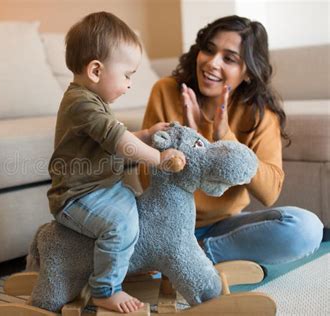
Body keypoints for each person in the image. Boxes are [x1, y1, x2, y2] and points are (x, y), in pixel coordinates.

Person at [141, 15, 323, 266]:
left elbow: (270, 193)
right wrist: (187, 140)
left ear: (247, 72)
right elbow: (145, 177)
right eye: (209, 50)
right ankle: (176, 260)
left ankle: (195, 259)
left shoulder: (260, 114)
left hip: (221, 229)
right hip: (165, 225)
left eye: (229, 58)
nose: (212, 63)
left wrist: (224, 138)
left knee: (306, 228)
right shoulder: (166, 91)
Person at [47, 12, 185, 313]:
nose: (130, 84)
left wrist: (146, 134)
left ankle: (132, 261)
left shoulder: (93, 102)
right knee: (121, 226)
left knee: (138, 209)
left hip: (102, 188)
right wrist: (159, 159)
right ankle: (105, 289)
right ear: (96, 70)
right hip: (76, 196)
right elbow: (120, 142)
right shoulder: (81, 104)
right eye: (127, 75)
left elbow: (113, 138)